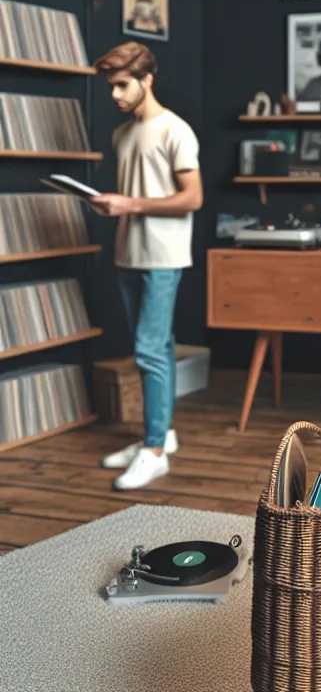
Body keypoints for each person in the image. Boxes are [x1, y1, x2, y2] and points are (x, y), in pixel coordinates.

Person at [90, 42, 202, 491]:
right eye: (111, 86)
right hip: (128, 253)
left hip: (162, 256)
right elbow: (133, 196)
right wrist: (111, 205)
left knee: (149, 350)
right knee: (159, 348)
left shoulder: (176, 130)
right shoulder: (122, 134)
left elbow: (192, 198)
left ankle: (154, 451)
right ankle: (162, 434)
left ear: (147, 79)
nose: (115, 94)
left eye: (122, 84)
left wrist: (130, 204)